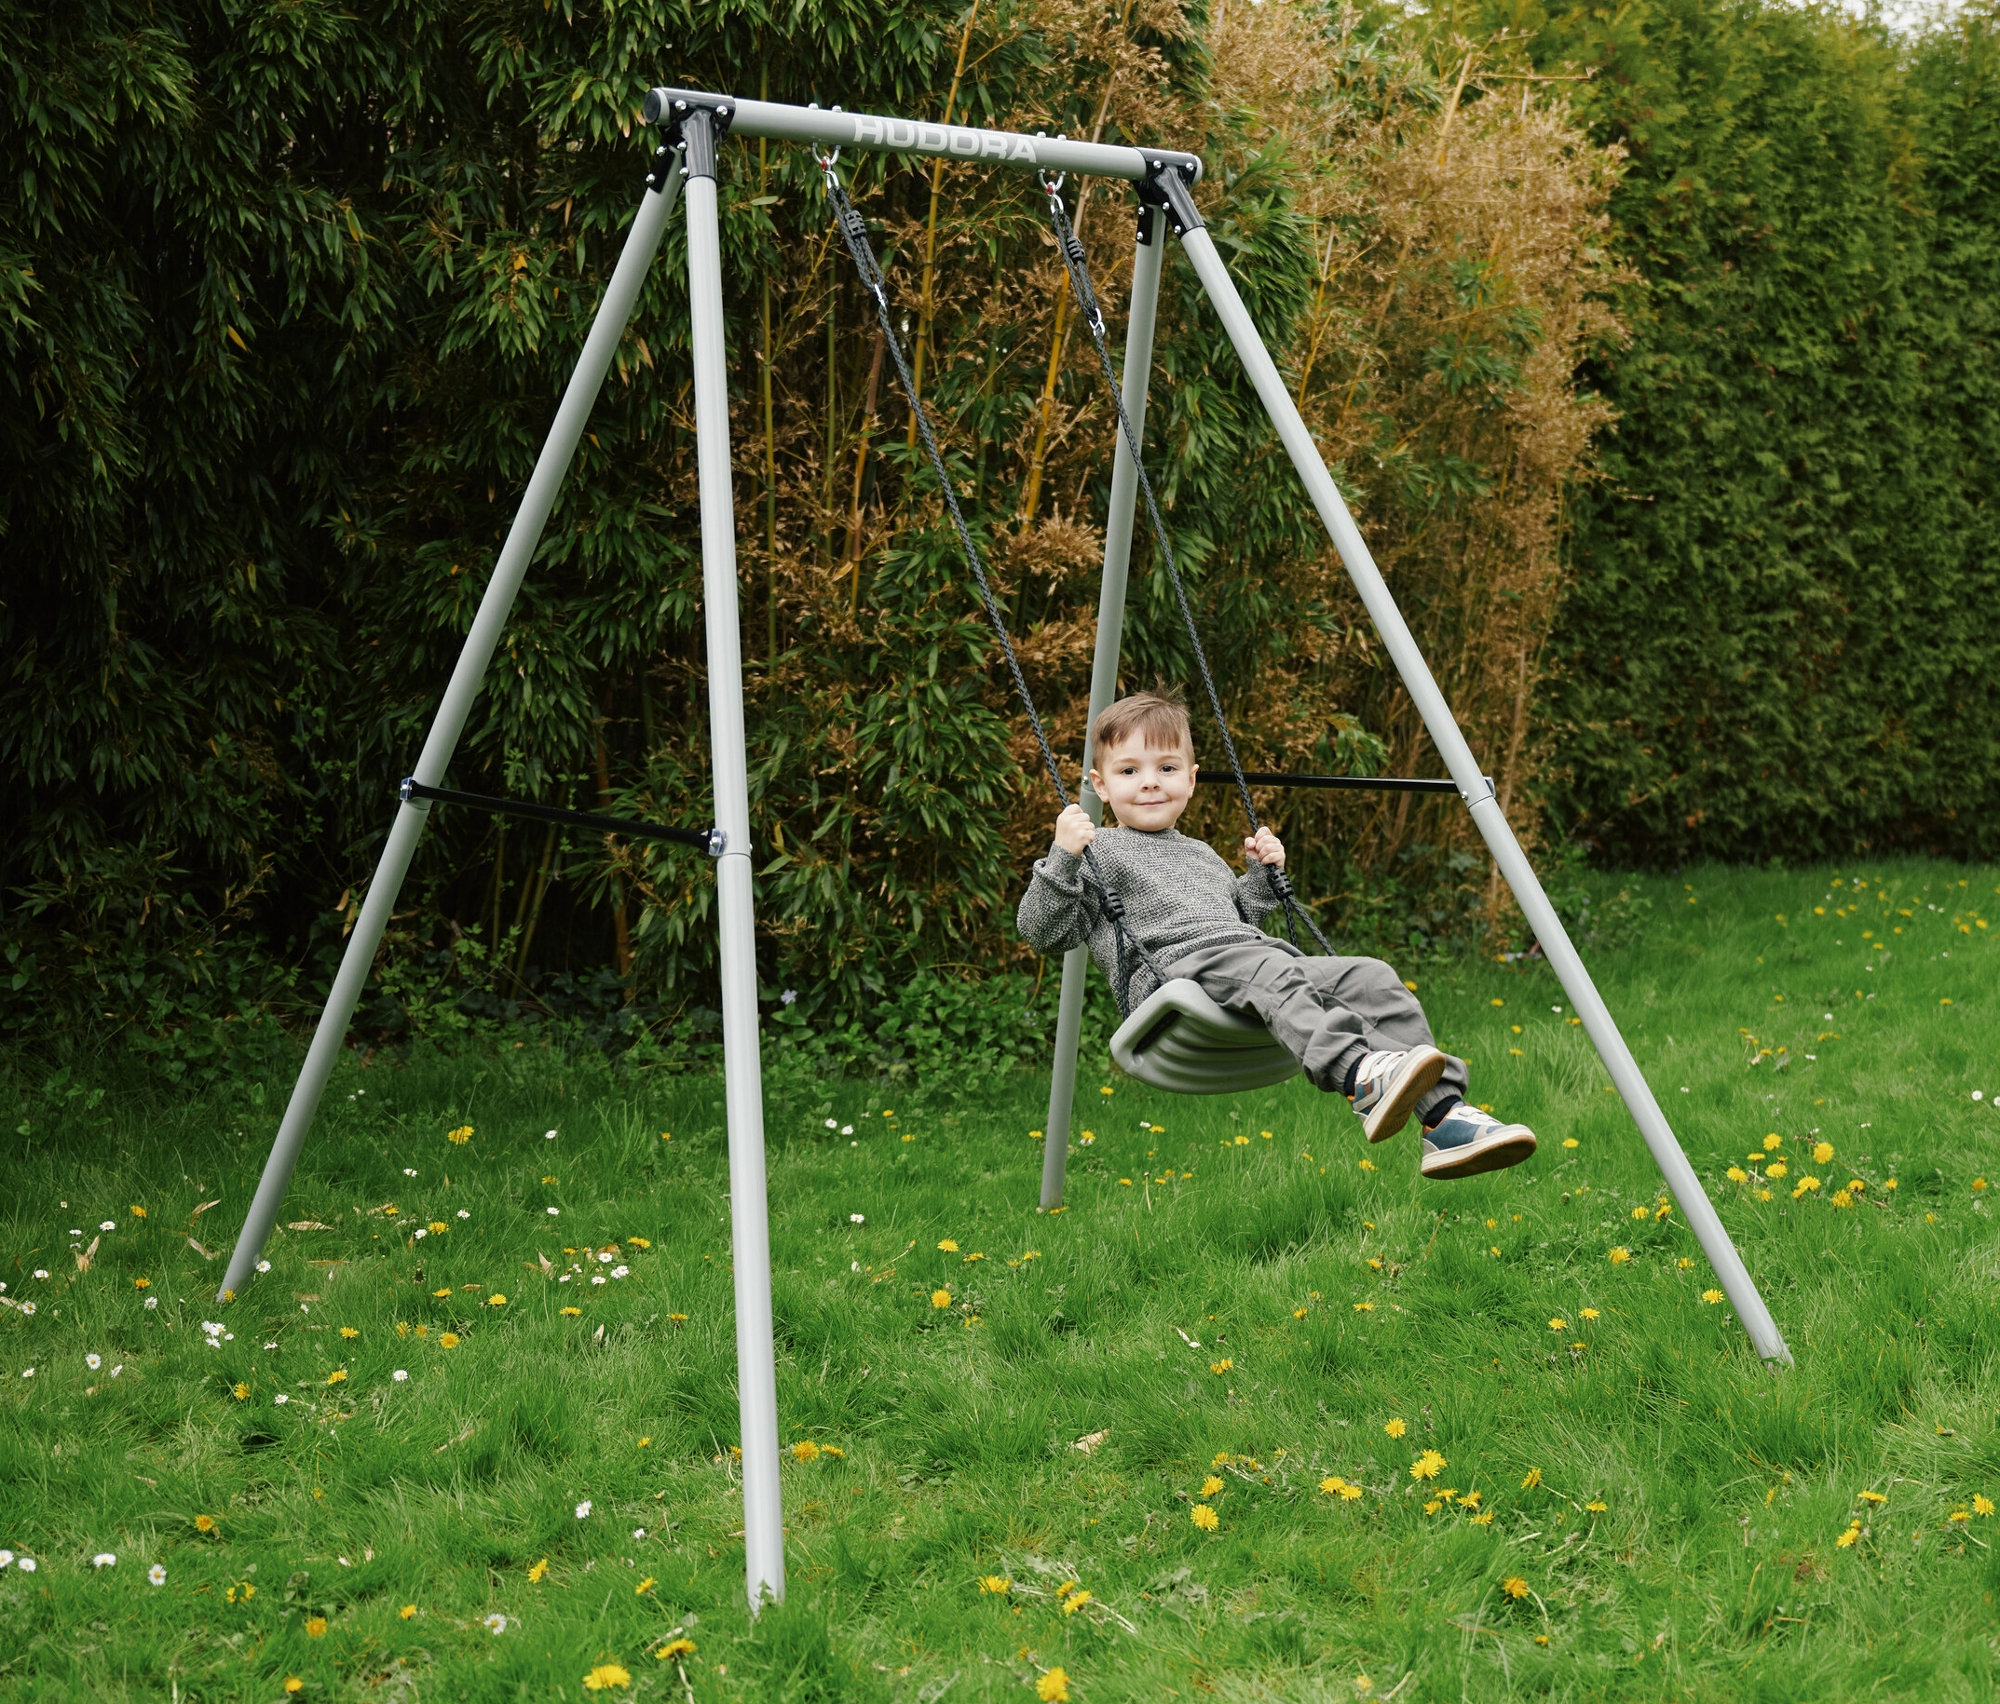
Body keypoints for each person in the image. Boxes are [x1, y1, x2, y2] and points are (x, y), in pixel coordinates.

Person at [1016, 691, 1535, 1178]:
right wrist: (1062, 858)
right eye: (1130, 770)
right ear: (1100, 785)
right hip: (1171, 976)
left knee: (1371, 976)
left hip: (1249, 960)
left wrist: (1263, 877)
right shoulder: (1096, 852)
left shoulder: (1200, 853)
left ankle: (1446, 1118)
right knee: (1265, 967)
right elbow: (1042, 931)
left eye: (1166, 768)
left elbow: (1240, 917)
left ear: (1191, 780)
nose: (1150, 782)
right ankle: (1359, 1074)